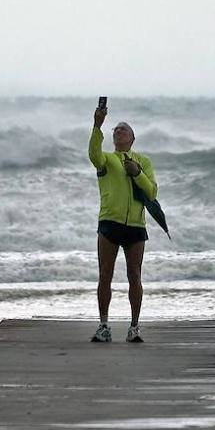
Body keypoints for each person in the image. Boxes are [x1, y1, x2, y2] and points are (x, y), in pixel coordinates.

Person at [88, 103, 157, 344]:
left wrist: (137, 173)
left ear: (132, 138)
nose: (119, 131)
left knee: (134, 275)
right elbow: (93, 154)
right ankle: (104, 325)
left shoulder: (143, 161)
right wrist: (97, 125)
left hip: (136, 226)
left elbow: (152, 192)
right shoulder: (106, 159)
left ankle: (134, 327)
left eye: (124, 129)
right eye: (116, 130)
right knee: (104, 274)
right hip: (109, 222)